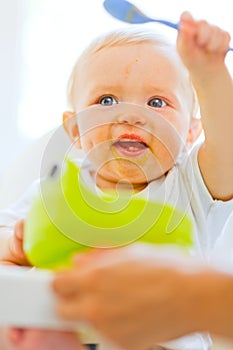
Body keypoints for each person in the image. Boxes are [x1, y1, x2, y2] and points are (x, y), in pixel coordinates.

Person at [0, 10, 233, 350]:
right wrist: (14, 245)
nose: (131, 115)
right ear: (75, 130)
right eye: (106, 100)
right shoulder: (54, 190)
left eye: (156, 102)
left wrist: (209, 73)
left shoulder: (190, 184)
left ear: (191, 131)